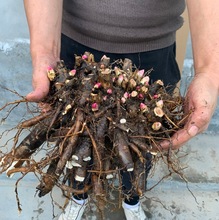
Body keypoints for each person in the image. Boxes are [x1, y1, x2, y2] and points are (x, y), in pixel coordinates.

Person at [23, 1, 219, 219]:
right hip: (76, 41)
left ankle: (132, 199)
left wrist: (209, 72)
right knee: (76, 139)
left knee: (142, 144)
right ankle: (79, 193)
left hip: (153, 49)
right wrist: (44, 51)